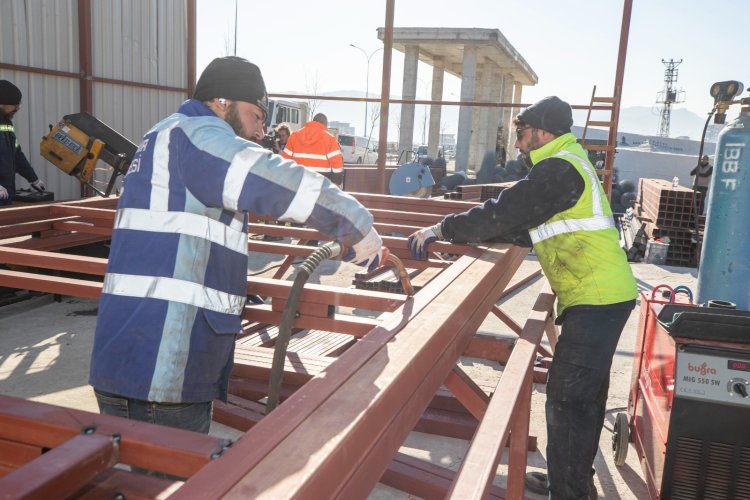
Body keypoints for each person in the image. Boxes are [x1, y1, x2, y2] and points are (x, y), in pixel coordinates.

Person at [89, 56, 387, 435]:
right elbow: (281, 181)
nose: (262, 131)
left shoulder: (165, 135)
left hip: (128, 355)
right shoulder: (200, 138)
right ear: (223, 103)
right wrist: (359, 228)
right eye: (257, 116)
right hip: (165, 365)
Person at [407, 96, 637, 500]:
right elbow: (521, 228)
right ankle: (572, 480)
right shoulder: (564, 164)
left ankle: (570, 493)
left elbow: (504, 213)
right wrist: (467, 232)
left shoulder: (559, 169)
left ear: (543, 132)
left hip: (597, 299)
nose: (517, 143)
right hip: (597, 296)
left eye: (521, 133)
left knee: (568, 400)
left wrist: (443, 229)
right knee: (580, 400)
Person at [0, 80, 45, 207]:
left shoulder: (6, 123)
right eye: (15, 104)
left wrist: (33, 179)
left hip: (5, 193)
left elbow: (17, 154)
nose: (18, 108)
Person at [282, 113, 344, 186]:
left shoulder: (294, 136)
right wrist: (336, 184)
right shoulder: (330, 139)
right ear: (325, 124)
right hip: (321, 187)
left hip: (297, 185)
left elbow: (284, 162)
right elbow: (337, 167)